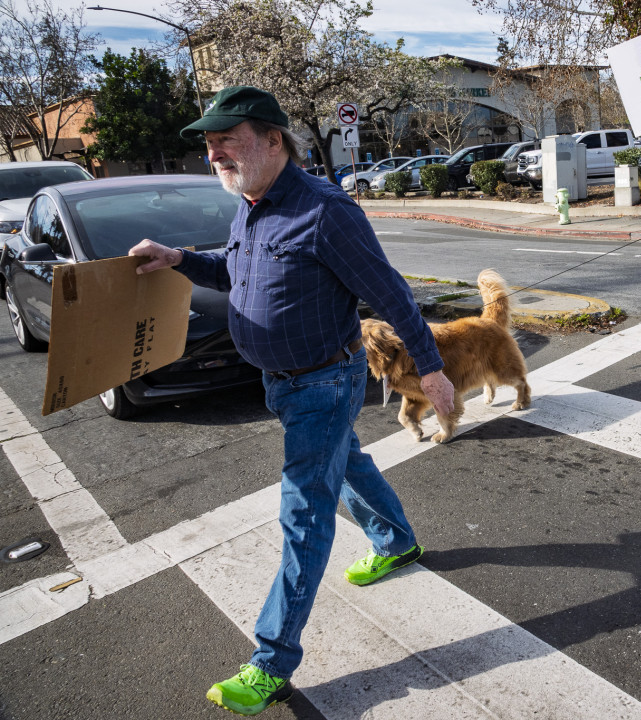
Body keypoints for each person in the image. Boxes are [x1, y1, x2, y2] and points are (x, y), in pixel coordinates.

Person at [129, 86, 455, 716]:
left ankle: (272, 660)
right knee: (346, 460)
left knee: (304, 511)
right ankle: (396, 542)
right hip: (282, 381)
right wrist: (179, 259)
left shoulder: (326, 211)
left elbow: (392, 293)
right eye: (209, 143)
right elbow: (235, 270)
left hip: (322, 382)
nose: (214, 153)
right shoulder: (251, 204)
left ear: (273, 139)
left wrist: (433, 370)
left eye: (227, 140)